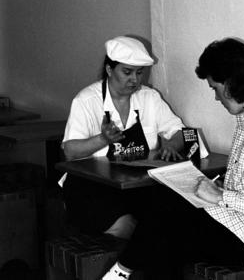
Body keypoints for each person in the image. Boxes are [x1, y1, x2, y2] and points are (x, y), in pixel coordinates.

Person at [103, 37, 244, 280]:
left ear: (232, 83)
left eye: (215, 88)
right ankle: (121, 272)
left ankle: (120, 272)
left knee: (165, 227)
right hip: (239, 219)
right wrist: (224, 187)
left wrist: (221, 195)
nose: (215, 98)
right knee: (164, 219)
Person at [61, 35, 198, 241]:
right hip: (92, 185)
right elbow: (70, 152)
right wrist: (103, 139)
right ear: (109, 70)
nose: (135, 80)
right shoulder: (86, 101)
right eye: (127, 72)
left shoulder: (149, 98)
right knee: (125, 227)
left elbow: (181, 132)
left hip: (138, 184)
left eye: (139, 73)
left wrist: (171, 144)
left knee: (169, 220)